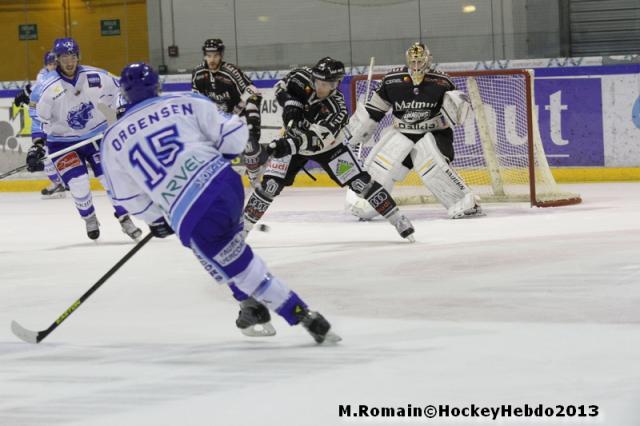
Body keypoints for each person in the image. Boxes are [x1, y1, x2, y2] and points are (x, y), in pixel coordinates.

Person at [100, 62, 340, 344]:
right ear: (158, 86)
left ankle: (303, 316)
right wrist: (224, 151)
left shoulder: (112, 140)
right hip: (226, 184)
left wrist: (155, 219)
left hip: (191, 212)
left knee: (240, 266)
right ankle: (248, 303)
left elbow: (127, 196)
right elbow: (233, 136)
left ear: (124, 95)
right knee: (222, 246)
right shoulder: (186, 101)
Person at [242, 57, 415, 241]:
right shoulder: (300, 77)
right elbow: (280, 87)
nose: (319, 87)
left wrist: (281, 147)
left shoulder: (337, 109)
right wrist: (290, 103)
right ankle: (242, 231)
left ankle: (398, 219)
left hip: (328, 148)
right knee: (270, 185)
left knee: (361, 184)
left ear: (336, 84)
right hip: (293, 140)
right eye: (317, 81)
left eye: (325, 84)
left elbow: (314, 141)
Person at [345, 42, 483, 220]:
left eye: (420, 61)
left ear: (428, 60)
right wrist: (358, 131)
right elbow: (375, 110)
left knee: (434, 169)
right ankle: (366, 204)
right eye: (413, 61)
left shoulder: (442, 82)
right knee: (380, 168)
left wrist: (457, 109)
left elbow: (456, 112)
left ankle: (465, 202)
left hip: (433, 134)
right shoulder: (392, 80)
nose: (416, 65)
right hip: (402, 133)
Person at [25, 38, 142, 241]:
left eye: (73, 56)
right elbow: (37, 117)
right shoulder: (46, 86)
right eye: (64, 57)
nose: (69, 61)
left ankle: (124, 218)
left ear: (78, 56)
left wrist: (123, 107)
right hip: (61, 142)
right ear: (57, 59)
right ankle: (89, 217)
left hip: (96, 136)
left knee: (111, 178)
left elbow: (120, 89)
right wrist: (37, 145)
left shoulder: (95, 75)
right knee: (78, 183)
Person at [191, 38, 267, 187]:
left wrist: (247, 117)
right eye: (209, 55)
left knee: (250, 142)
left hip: (241, 113)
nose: (212, 59)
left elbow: (253, 92)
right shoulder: (198, 74)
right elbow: (197, 101)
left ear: (221, 55)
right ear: (205, 55)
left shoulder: (231, 72)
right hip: (219, 117)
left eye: (215, 56)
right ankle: (263, 157)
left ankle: (254, 177)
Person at [13, 51, 66, 199]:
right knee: (43, 154)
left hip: (55, 122)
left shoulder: (63, 76)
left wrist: (26, 91)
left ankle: (60, 181)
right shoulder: (42, 76)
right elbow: (40, 87)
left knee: (51, 154)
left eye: (56, 63)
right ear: (45, 65)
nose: (53, 66)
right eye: (51, 64)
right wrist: (26, 92)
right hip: (40, 122)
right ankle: (57, 182)